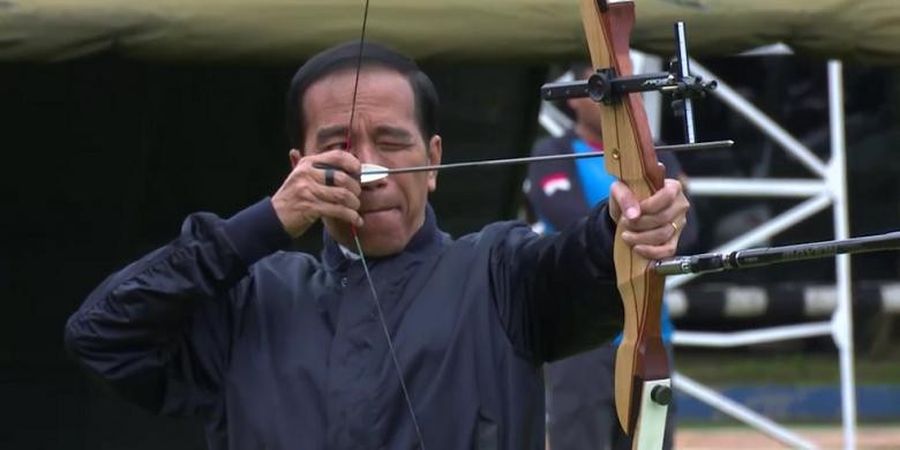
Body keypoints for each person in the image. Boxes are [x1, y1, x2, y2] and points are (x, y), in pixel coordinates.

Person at [64, 42, 690, 450]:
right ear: (297, 164)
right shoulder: (251, 299)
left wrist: (624, 226)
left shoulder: (499, 273)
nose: (368, 169)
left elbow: (579, 267)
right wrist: (262, 224)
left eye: (392, 142)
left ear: (434, 159)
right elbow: (102, 334)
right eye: (337, 144)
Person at [526, 63, 699, 450]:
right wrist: (639, 226)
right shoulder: (552, 153)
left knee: (651, 442)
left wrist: (640, 229)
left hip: (649, 332)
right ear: (572, 97)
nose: (621, 94)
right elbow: (566, 219)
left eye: (627, 82)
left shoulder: (656, 156)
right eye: (604, 85)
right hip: (579, 339)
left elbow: (689, 229)